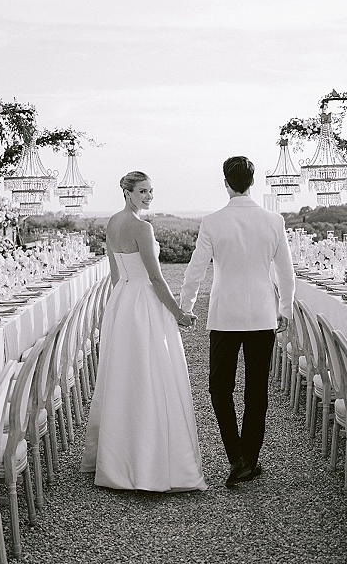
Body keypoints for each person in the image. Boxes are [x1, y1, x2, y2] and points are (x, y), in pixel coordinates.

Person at [81, 171, 207, 492]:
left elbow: (114, 272)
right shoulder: (142, 227)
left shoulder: (112, 222)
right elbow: (155, 278)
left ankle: (118, 460)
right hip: (143, 304)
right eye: (142, 191)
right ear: (127, 192)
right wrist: (178, 313)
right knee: (150, 376)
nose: (149, 196)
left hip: (122, 301)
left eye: (151, 191)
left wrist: (116, 308)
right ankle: (149, 463)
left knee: (124, 376)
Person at [180, 156, 295, 487]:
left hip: (225, 315)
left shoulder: (213, 221)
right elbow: (286, 273)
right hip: (262, 315)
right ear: (252, 182)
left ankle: (237, 457)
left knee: (219, 388)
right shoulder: (274, 221)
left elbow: (196, 269)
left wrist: (186, 306)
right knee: (257, 390)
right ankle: (249, 459)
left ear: (226, 182)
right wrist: (284, 309)